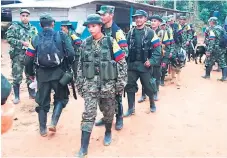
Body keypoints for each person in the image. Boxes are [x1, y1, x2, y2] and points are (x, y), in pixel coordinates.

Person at [75, 14, 127, 157]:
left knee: (109, 112)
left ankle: (108, 131)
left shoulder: (111, 42)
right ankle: (83, 147)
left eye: (94, 26)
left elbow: (122, 64)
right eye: (89, 27)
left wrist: (120, 85)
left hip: (108, 85)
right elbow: (80, 66)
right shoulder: (85, 43)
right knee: (88, 114)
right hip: (90, 86)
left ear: (100, 26)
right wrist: (79, 84)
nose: (91, 29)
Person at [24, 13, 75, 137]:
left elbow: (28, 59)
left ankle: (42, 129)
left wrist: (30, 74)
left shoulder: (35, 38)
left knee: (42, 102)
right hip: (59, 74)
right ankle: (53, 122)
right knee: (61, 98)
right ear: (53, 24)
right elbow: (72, 53)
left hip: (41, 75)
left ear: (40, 25)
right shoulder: (61, 35)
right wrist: (67, 67)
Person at [95, 5, 129, 130]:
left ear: (111, 15)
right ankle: (106, 117)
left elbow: (125, 52)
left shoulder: (117, 32)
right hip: (101, 70)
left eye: (104, 14)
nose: (101, 17)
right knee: (102, 96)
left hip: (114, 70)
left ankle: (119, 117)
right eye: (101, 15)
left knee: (117, 96)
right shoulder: (100, 30)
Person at [124, 10, 161, 117]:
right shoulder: (130, 33)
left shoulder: (151, 33)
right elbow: (125, 48)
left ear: (145, 19)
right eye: (136, 18)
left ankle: (152, 103)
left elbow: (157, 50)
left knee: (149, 86)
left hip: (145, 65)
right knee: (129, 86)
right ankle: (131, 109)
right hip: (132, 65)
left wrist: (152, 61)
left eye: (141, 17)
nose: (138, 20)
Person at [6, 9, 38, 104]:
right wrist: (21, 43)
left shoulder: (33, 28)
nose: (25, 17)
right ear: (20, 16)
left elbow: (36, 40)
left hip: (29, 55)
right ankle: (16, 96)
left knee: (30, 74)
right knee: (17, 76)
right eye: (23, 15)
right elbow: (9, 38)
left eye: (26, 15)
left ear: (29, 17)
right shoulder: (14, 27)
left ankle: (32, 93)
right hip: (17, 55)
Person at [202, 17, 227, 81]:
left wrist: (209, 51)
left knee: (208, 61)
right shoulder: (221, 28)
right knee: (223, 62)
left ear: (211, 22)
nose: (209, 22)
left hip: (214, 48)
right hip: (222, 48)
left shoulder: (212, 29)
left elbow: (211, 41)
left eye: (209, 21)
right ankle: (224, 77)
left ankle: (207, 75)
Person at [158, 19, 174, 86]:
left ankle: (162, 80)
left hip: (166, 51)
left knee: (164, 66)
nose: (163, 26)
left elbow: (172, 43)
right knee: (158, 66)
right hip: (159, 51)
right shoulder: (157, 32)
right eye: (161, 25)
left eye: (164, 25)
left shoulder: (169, 32)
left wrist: (171, 52)